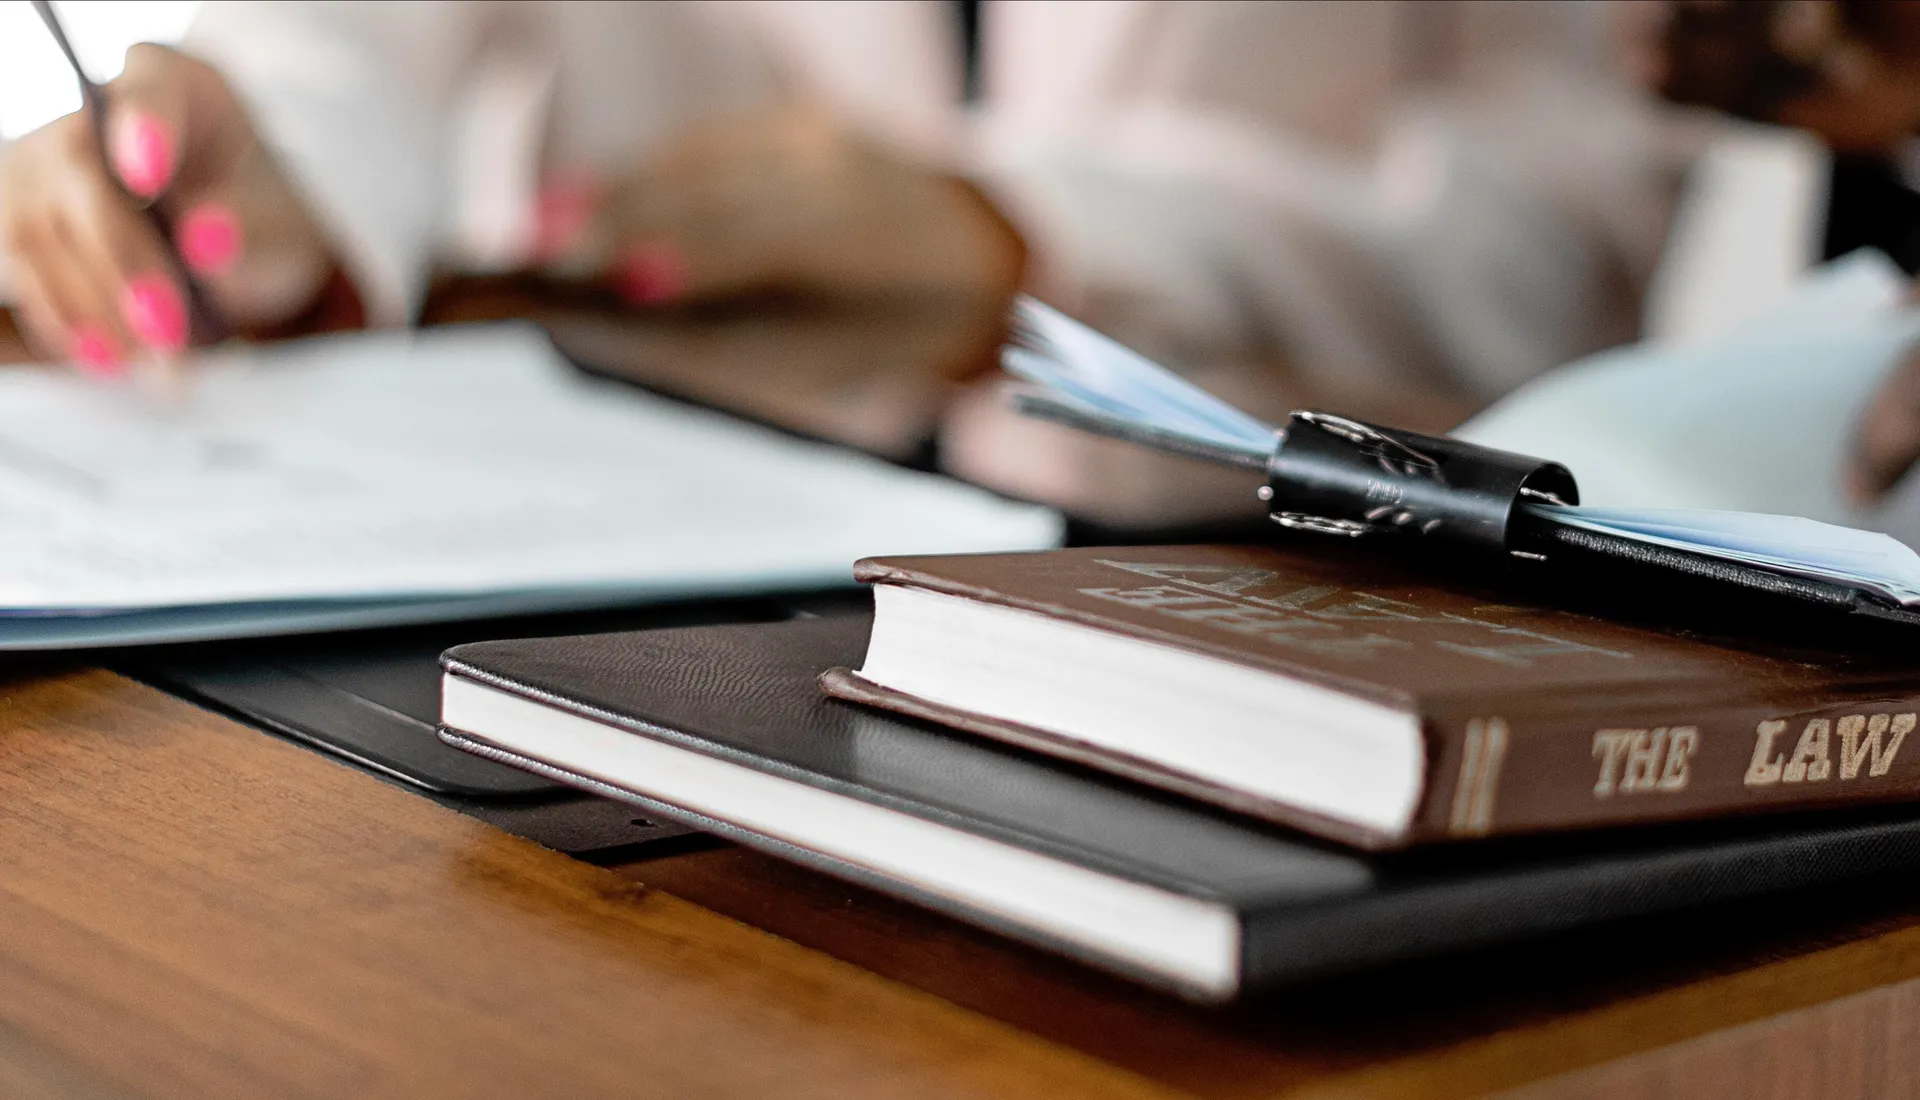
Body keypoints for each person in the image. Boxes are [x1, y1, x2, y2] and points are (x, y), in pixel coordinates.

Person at [0, 1, 1687, 525]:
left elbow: (1581, 223)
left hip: (1259, 573)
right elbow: (363, 37)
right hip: (655, 530)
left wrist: (1044, 247)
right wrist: (271, 153)